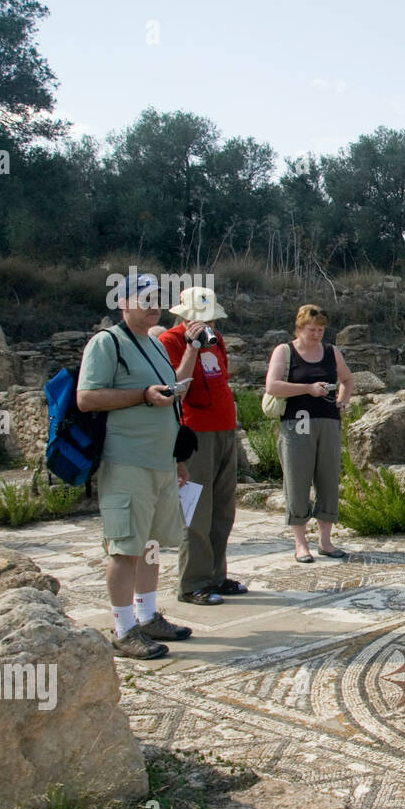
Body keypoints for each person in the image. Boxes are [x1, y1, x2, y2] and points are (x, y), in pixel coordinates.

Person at [77, 273, 194, 660]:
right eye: (144, 298)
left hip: (160, 462)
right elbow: (87, 397)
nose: (153, 304)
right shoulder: (106, 343)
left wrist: (177, 460)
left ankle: (147, 617)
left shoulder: (156, 345)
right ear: (123, 303)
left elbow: (170, 394)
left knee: (151, 545)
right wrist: (142, 395)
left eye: (157, 297)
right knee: (125, 548)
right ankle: (124, 628)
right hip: (126, 460)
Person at [159, 287, 246, 605]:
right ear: (183, 317)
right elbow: (175, 388)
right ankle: (192, 583)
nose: (208, 325)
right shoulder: (169, 341)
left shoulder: (217, 340)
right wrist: (191, 347)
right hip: (195, 434)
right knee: (195, 510)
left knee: (223, 509)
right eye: (201, 319)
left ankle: (215, 576)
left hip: (224, 429)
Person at [264, 305, 354, 563]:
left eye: (321, 330)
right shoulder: (284, 351)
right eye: (311, 330)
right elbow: (272, 385)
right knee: (297, 481)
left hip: (327, 422)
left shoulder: (330, 351)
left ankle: (325, 541)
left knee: (328, 480)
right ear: (300, 328)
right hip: (296, 424)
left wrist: (343, 401)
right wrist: (307, 389)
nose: (317, 335)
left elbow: (347, 379)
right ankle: (300, 543)